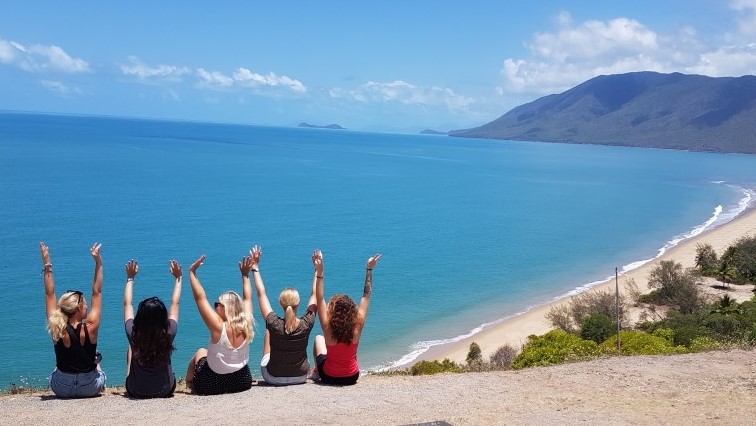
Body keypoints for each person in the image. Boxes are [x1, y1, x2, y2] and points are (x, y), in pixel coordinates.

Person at [39, 241, 107, 398]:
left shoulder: (57, 327)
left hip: (61, 388)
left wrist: (47, 263)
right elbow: (97, 292)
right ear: (78, 309)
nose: (87, 306)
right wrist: (98, 262)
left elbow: (49, 294)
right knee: (97, 360)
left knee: (57, 369)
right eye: (84, 304)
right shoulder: (91, 326)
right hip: (89, 387)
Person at [185, 254, 254, 395]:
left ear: (226, 308)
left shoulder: (218, 327)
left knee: (200, 352)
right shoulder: (247, 323)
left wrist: (192, 273)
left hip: (212, 384)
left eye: (217, 304)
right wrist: (245, 276)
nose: (214, 306)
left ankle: (189, 384)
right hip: (242, 381)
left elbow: (200, 298)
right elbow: (247, 298)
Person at [249, 245, 317, 386]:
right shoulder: (306, 323)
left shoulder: (274, 323)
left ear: (281, 304)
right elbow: (315, 295)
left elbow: (261, 294)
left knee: (268, 332)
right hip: (301, 376)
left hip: (273, 377)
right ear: (298, 303)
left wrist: (255, 266)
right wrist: (318, 271)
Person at [312, 250, 381, 385]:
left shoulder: (328, 327)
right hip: (352, 376)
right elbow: (366, 295)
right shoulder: (357, 326)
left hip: (328, 376)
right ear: (352, 311)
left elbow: (319, 299)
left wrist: (319, 272)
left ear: (332, 310)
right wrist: (369, 269)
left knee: (318, 339)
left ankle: (316, 372)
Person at [123, 258, 183, 398]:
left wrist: (130, 278)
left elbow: (128, 304)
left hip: (135, 390)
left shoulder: (132, 332)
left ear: (140, 317)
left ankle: (130, 376)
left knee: (131, 348)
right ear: (163, 318)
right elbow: (175, 304)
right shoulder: (169, 332)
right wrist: (178, 278)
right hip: (165, 390)